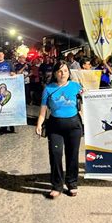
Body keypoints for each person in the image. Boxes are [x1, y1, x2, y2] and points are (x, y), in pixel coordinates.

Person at [36, 61, 83, 199]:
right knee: (55, 155)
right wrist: (39, 124)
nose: (63, 74)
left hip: (74, 126)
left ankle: (72, 183)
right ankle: (56, 185)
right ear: (55, 73)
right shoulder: (48, 89)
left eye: (65, 71)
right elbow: (43, 111)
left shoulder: (76, 86)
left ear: (69, 73)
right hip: (55, 127)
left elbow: (87, 102)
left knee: (72, 156)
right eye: (60, 71)